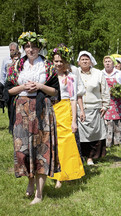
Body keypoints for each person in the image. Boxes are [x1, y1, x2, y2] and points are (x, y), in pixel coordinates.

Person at [4, 32, 59, 205]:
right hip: (22, 110)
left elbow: (56, 92)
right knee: (23, 150)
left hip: (42, 111)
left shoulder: (48, 66)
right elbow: (8, 91)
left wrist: (40, 86)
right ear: (23, 48)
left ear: (39, 47)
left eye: (34, 46)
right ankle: (30, 180)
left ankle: (39, 194)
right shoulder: (16, 66)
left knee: (42, 150)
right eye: (27, 46)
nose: (31, 49)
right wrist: (23, 87)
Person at [46, 46, 85, 188]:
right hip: (52, 109)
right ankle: (56, 172)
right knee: (54, 143)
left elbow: (74, 98)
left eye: (61, 61)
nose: (58, 64)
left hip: (66, 110)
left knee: (66, 144)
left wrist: (74, 120)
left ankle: (64, 176)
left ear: (66, 62)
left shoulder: (71, 77)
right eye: (56, 61)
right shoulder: (49, 77)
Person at [77, 51, 110, 165]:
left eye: (87, 59)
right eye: (82, 59)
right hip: (79, 108)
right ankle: (81, 156)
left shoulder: (98, 74)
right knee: (81, 135)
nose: (85, 61)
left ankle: (90, 157)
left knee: (94, 134)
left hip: (95, 107)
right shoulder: (75, 73)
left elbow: (105, 90)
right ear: (79, 61)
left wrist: (105, 106)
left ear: (91, 61)